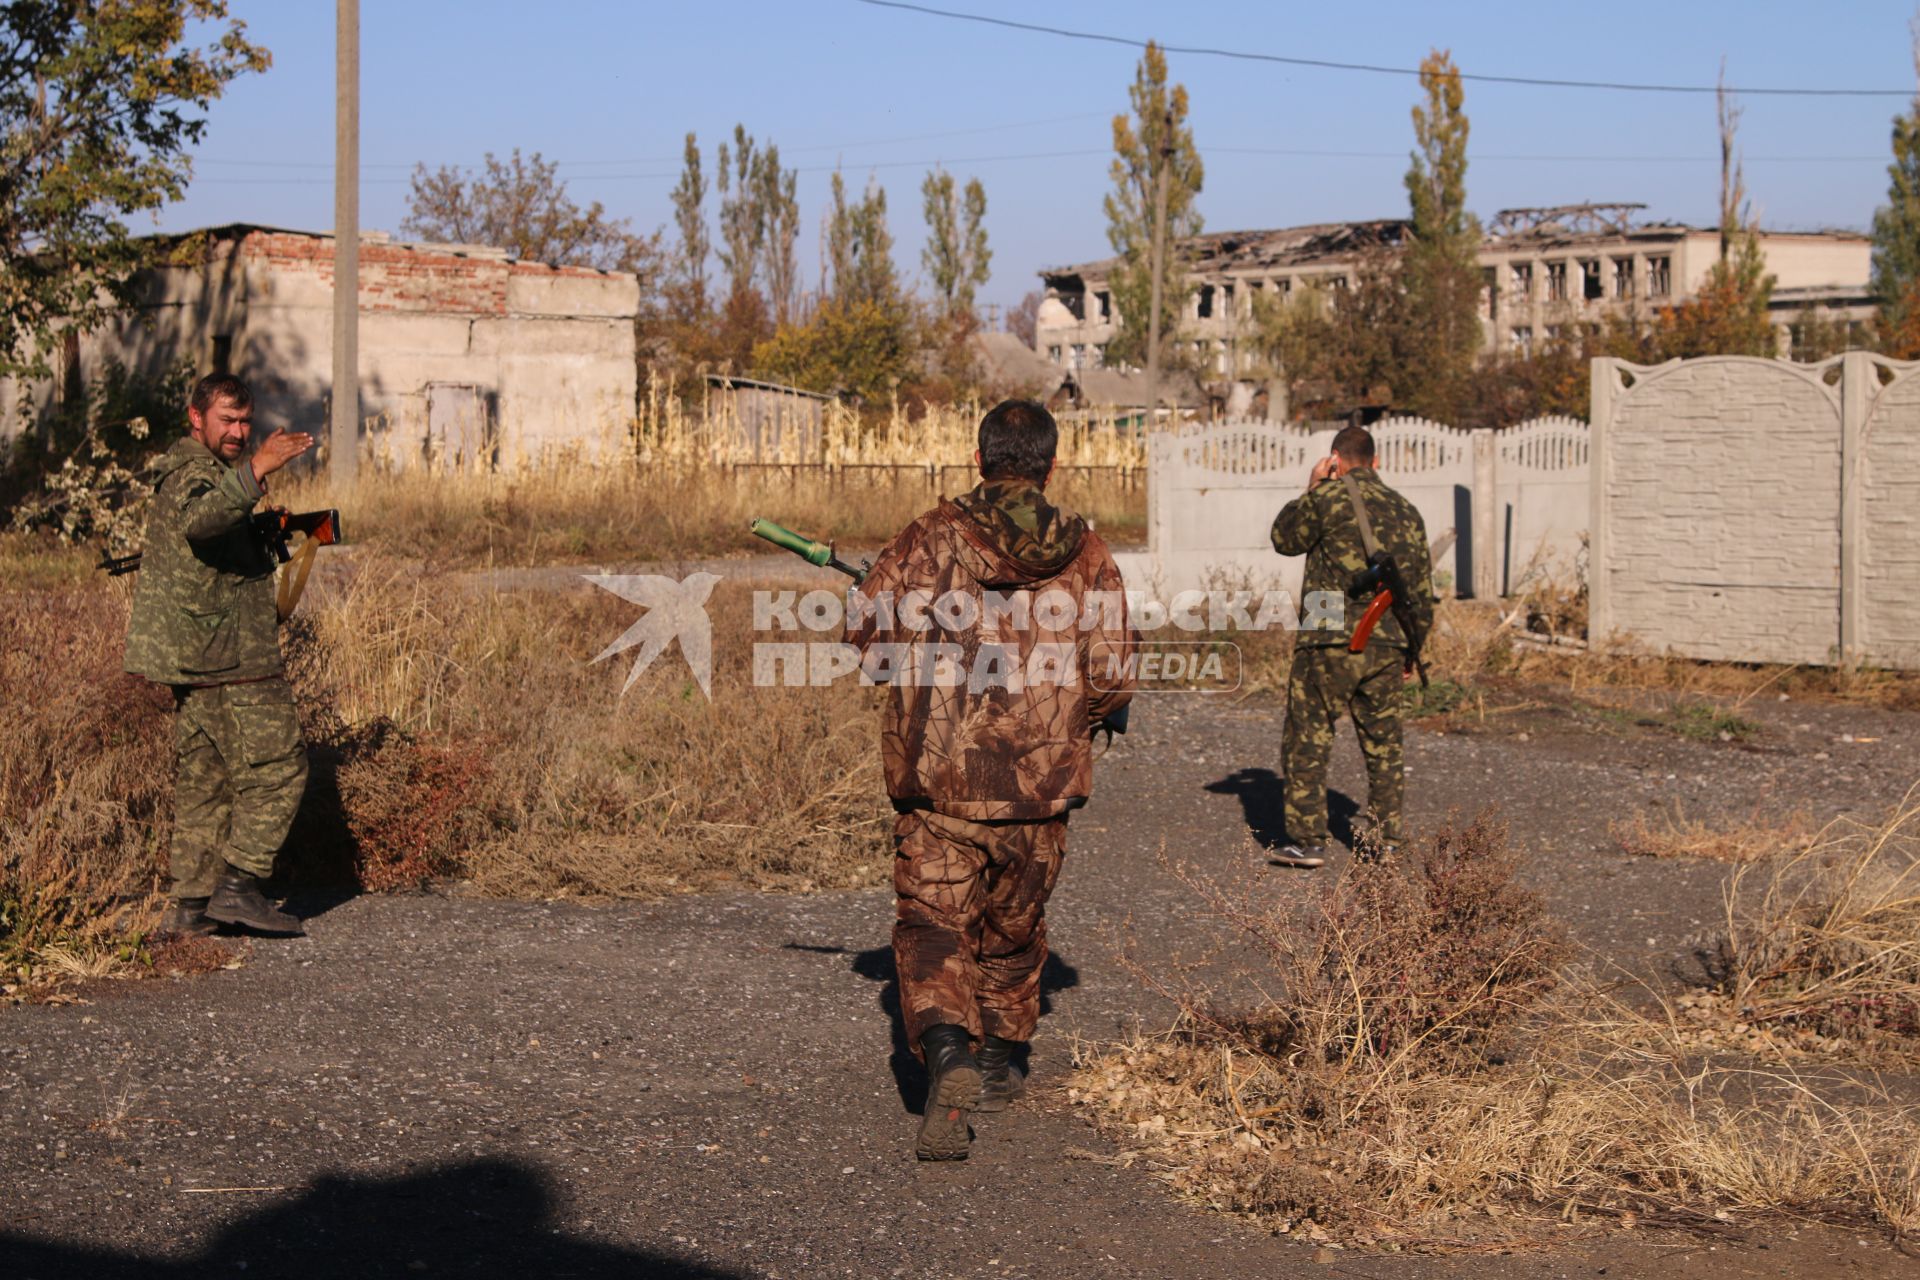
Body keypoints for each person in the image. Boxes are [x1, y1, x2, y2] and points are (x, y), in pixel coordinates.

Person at [845, 399, 1136, 1161]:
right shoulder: (1090, 553)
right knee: (1013, 929)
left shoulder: (927, 538)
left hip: (941, 781)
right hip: (1041, 785)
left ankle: (949, 1054)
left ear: (980, 460)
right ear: (1048, 464)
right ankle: (1001, 1066)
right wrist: (1080, 718)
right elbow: (1112, 673)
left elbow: (869, 645)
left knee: (934, 925)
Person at [125, 373, 314, 937]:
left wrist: (268, 529)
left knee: (204, 781)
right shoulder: (194, 474)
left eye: (244, 421)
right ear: (195, 418)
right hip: (232, 658)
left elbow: (214, 537)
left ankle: (191, 908)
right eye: (225, 421)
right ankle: (237, 886)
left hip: (203, 656)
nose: (237, 431)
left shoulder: (198, 473)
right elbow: (201, 521)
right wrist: (257, 469)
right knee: (280, 767)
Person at [1268, 424, 1434, 868]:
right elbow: (1420, 592)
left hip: (1327, 633)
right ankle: (1388, 840)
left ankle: (1308, 841)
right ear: (1377, 462)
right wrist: (1411, 647)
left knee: (1308, 737)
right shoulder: (1407, 511)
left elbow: (1284, 539)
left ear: (1336, 459)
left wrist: (1314, 485)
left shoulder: (1327, 497)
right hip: (1386, 638)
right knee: (1384, 744)